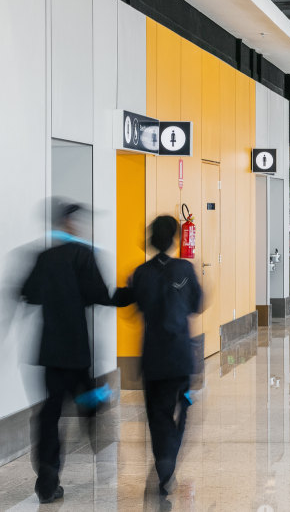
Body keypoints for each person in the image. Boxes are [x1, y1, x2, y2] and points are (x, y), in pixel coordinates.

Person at [19, 202, 115, 504]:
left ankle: (47, 476)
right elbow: (101, 294)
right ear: (69, 224)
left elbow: (28, 293)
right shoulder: (84, 256)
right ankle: (102, 452)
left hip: (49, 351)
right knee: (88, 399)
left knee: (51, 412)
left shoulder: (43, 257)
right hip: (76, 350)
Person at [111, 215, 203, 496]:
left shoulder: (140, 273)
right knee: (183, 405)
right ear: (174, 238)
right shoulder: (185, 269)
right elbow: (197, 303)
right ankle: (168, 458)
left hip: (153, 357)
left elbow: (130, 306)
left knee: (156, 414)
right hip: (181, 356)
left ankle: (164, 462)